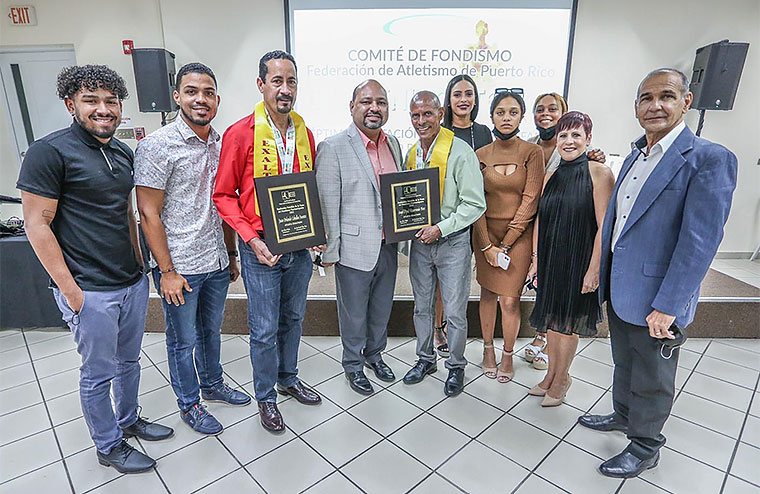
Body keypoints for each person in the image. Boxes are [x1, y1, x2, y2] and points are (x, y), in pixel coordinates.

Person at [578, 68, 736, 478]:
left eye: (666, 96)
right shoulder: (635, 154)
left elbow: (699, 243)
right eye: (646, 98)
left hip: (658, 295)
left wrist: (669, 304)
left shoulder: (708, 158)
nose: (655, 106)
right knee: (624, 362)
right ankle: (624, 416)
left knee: (653, 373)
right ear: (636, 107)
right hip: (622, 286)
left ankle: (646, 445)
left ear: (686, 101)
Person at [17, 65, 173, 473]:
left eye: (110, 101)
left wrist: (142, 268)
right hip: (90, 290)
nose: (103, 109)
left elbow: (127, 213)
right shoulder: (48, 152)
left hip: (130, 281)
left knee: (129, 362)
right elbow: (37, 225)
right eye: (91, 101)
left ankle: (128, 419)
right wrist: (72, 293)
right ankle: (108, 445)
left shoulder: (121, 152)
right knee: (98, 372)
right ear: (71, 104)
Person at [135, 63, 251, 436]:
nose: (200, 99)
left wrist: (230, 255)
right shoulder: (156, 146)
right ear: (177, 96)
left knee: (210, 332)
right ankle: (189, 404)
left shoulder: (221, 142)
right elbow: (147, 212)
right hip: (179, 266)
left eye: (208, 92)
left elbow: (224, 202)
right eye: (191, 91)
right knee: (182, 340)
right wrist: (166, 271)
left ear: (217, 98)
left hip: (216, 259)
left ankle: (213, 384)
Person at [213, 51, 323, 433]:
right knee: (263, 328)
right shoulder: (240, 133)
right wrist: (249, 239)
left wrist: (316, 233)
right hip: (260, 248)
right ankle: (266, 396)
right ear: (261, 85)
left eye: (291, 81)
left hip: (298, 248)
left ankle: (288, 378)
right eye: (277, 81)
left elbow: (308, 193)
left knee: (293, 318)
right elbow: (224, 195)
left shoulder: (306, 135)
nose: (285, 89)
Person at [315, 80, 403, 395]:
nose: (374, 108)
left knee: (381, 308)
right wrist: (331, 252)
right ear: (352, 106)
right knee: (353, 313)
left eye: (380, 102)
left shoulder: (392, 143)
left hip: (388, 245)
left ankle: (374, 356)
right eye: (366, 101)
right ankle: (353, 364)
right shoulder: (333, 146)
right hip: (353, 248)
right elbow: (327, 204)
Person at [402, 91, 486, 396]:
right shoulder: (412, 154)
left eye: (427, 114)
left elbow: (475, 205)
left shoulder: (460, 152)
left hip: (452, 243)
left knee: (453, 311)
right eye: (415, 115)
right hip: (421, 245)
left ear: (440, 114)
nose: (421, 121)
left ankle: (455, 366)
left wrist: (441, 227)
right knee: (422, 307)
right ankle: (425, 359)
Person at [527, 111, 614, 406]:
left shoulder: (599, 173)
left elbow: (605, 225)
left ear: (588, 139)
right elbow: (540, 220)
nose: (569, 141)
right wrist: (536, 260)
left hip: (579, 259)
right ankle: (551, 375)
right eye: (563, 135)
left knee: (569, 323)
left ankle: (563, 379)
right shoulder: (550, 176)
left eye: (576, 135)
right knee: (551, 321)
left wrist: (594, 269)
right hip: (551, 258)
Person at [472, 90, 543, 383]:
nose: (506, 117)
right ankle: (488, 348)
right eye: (500, 112)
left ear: (521, 117)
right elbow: (475, 202)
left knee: (511, 300)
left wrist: (507, 242)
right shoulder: (480, 155)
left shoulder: (532, 152)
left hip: (519, 236)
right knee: (488, 294)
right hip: (485, 233)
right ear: (491, 116)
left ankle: (508, 354)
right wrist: (487, 245)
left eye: (513, 112)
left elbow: (531, 199)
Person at [433, 74, 493, 358]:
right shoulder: (439, 131)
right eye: (457, 94)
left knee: (461, 280)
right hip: (445, 220)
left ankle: (464, 330)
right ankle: (437, 326)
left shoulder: (483, 133)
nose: (463, 100)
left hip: (475, 215)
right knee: (438, 281)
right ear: (448, 100)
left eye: (468, 94)